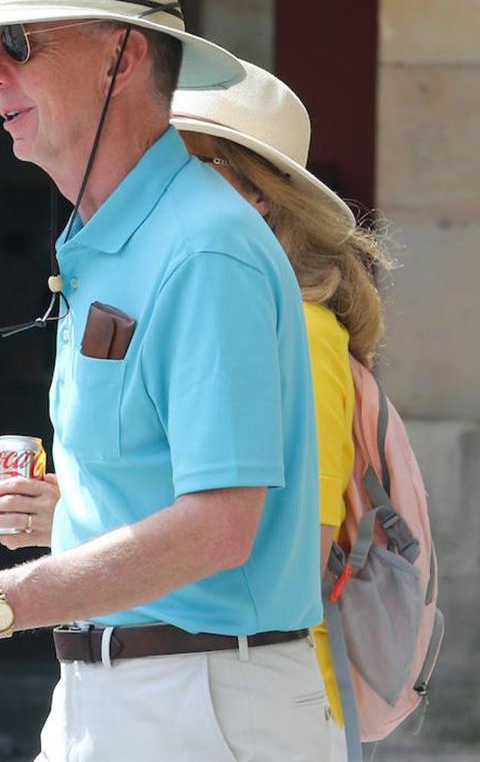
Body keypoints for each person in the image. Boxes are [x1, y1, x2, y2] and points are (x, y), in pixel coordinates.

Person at [0, 0, 335, 759]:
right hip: (121, 690)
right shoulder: (116, 234)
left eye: (19, 43)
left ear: (121, 58)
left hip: (202, 701)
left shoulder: (204, 244)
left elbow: (219, 529)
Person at [171, 61, 391, 753]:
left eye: (193, 166)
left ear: (259, 195)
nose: (167, 189)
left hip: (273, 706)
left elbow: (297, 552)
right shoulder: (246, 319)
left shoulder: (301, 331)